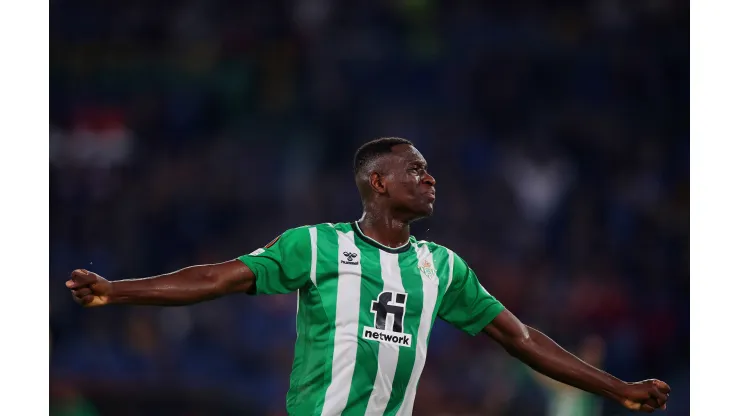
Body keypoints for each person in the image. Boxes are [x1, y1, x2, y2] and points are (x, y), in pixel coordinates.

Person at [66, 137, 671, 415]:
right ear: (378, 182)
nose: (430, 179)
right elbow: (218, 278)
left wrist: (616, 388)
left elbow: (523, 340)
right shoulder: (316, 246)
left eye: (430, 171)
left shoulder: (443, 268)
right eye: (416, 170)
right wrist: (119, 290)